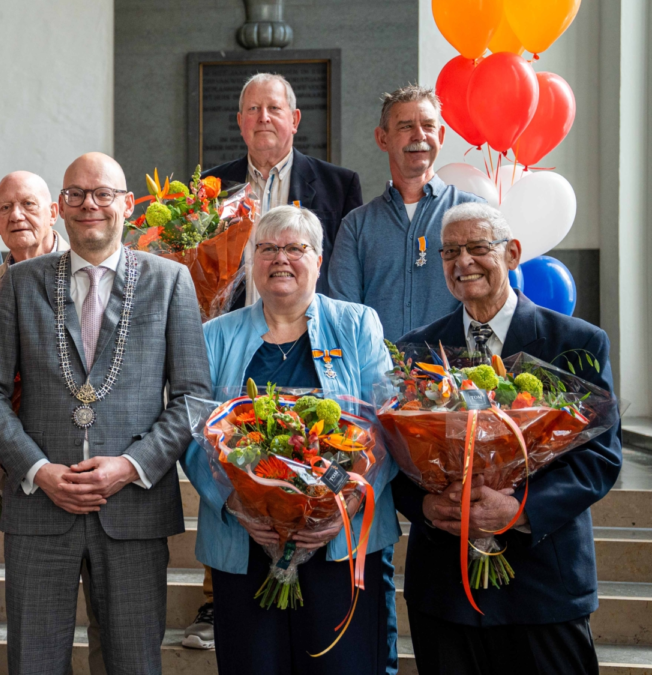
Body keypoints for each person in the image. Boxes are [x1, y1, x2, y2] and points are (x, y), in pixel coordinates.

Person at [0, 152, 211, 673]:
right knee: (34, 664)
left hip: (133, 510)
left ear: (128, 204)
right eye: (76, 194)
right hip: (39, 508)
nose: (89, 205)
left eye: (103, 194)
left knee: (132, 664)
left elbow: (192, 397)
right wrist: (38, 470)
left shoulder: (170, 281)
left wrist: (131, 465)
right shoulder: (21, 282)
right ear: (61, 206)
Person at [392, 203, 622, 674]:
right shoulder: (416, 351)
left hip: (543, 583)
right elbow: (393, 457)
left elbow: (599, 457)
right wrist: (426, 506)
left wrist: (519, 509)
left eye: (478, 247)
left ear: (513, 253)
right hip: (445, 587)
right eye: (450, 251)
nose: (463, 261)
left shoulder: (576, 343)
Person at [179, 206, 400, 674]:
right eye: (267, 248)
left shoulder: (358, 324)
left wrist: (346, 504)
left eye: (295, 248)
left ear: (318, 260)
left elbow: (385, 427)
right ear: (252, 263)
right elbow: (192, 434)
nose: (280, 258)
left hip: (338, 541)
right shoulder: (214, 336)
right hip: (246, 540)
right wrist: (237, 504)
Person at [327, 85, 484, 342]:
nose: (419, 135)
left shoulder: (473, 215)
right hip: (377, 368)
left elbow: (489, 305)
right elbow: (344, 317)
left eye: (428, 126)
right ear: (382, 139)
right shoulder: (356, 226)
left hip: (454, 367)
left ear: (441, 136)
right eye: (406, 126)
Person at [203, 72, 362, 304]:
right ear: (240, 121)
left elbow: (350, 272)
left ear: (295, 120)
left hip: (311, 324)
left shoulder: (339, 186)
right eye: (253, 109)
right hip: (232, 324)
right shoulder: (210, 186)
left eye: (274, 108)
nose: (263, 117)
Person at [0, 170, 69, 341]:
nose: (15, 216)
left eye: (28, 204)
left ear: (53, 213)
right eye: (5, 208)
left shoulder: (85, 274)